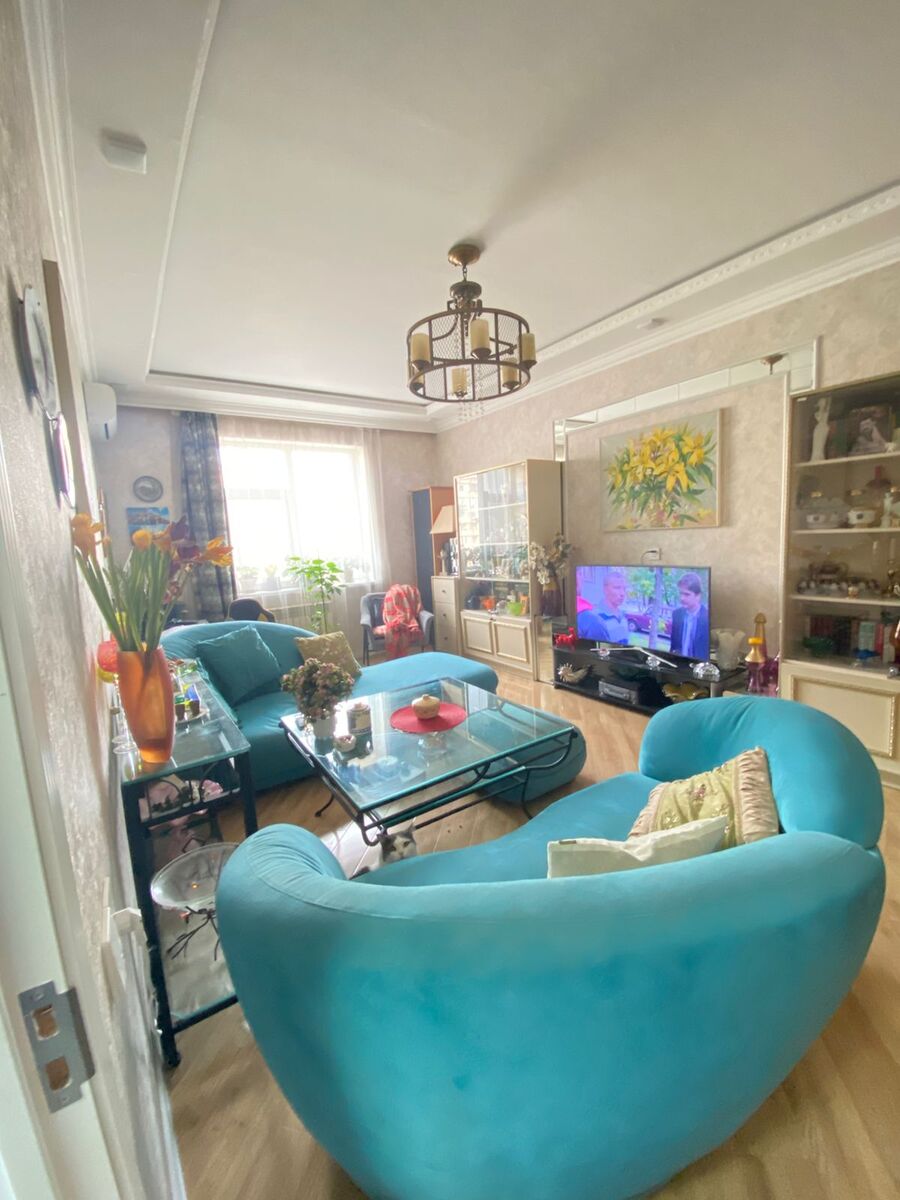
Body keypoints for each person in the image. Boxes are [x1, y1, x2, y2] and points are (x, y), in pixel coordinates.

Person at [579, 568, 631, 645]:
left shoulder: (623, 617)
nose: (622, 593)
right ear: (605, 590)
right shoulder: (594, 618)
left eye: (624, 589)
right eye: (617, 588)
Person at [669, 572, 709, 659]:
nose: (682, 598)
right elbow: (674, 646)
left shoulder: (708, 618)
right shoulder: (677, 614)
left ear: (698, 596)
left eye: (687, 594)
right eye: (681, 593)